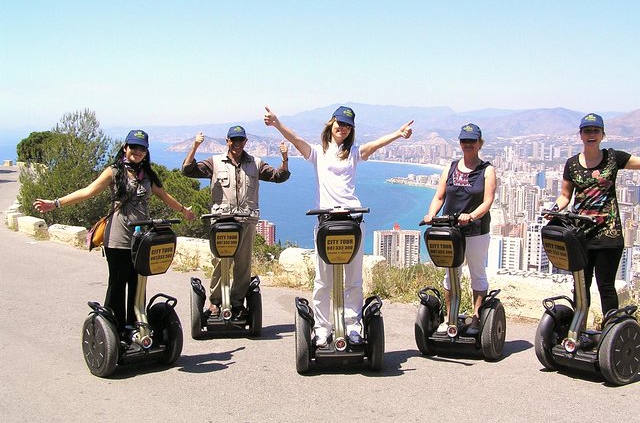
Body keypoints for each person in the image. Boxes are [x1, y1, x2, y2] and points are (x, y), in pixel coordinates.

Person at [264, 105, 413, 347]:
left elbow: (375, 145)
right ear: (331, 124)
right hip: (326, 222)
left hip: (352, 220)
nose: (342, 128)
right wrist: (278, 124)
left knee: (353, 279)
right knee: (323, 280)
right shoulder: (317, 153)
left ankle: (353, 325)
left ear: (351, 129)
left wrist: (398, 133)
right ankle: (322, 328)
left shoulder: (353, 153)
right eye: (339, 123)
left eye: (347, 125)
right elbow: (296, 139)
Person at [33, 130, 196, 331]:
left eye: (142, 148)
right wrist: (55, 203)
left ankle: (136, 325)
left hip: (142, 240)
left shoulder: (147, 175)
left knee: (138, 285)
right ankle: (114, 329)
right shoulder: (114, 172)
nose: (137, 151)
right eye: (133, 147)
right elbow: (88, 191)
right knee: (118, 284)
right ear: (125, 148)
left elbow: (164, 195)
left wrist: (183, 211)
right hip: (118, 238)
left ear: (146, 151)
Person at [552, 113, 640, 315]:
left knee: (605, 287)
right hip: (580, 235)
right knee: (580, 287)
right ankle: (576, 329)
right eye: (587, 130)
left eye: (595, 131)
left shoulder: (613, 158)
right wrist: (554, 210)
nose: (591, 134)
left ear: (602, 135)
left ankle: (609, 332)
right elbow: (565, 196)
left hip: (609, 235)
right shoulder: (571, 164)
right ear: (580, 134)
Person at [181, 126, 290, 319]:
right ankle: (215, 302)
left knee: (243, 264)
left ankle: (237, 302)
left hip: (246, 220)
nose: (237, 144)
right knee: (220, 262)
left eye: (241, 140)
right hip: (221, 220)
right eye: (234, 140)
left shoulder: (255, 163)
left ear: (245, 142)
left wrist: (284, 159)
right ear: (227, 141)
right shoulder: (214, 162)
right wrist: (195, 146)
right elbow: (187, 170)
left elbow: (278, 176)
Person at [423, 123, 497, 331]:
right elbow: (439, 196)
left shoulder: (487, 170)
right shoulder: (451, 167)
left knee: (476, 273)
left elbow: (487, 201)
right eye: (464, 141)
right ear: (460, 143)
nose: (468, 144)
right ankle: (450, 317)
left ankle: (476, 318)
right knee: (451, 273)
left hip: (476, 230)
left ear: (479, 143)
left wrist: (471, 216)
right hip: (451, 230)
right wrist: (432, 214)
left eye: (472, 141)